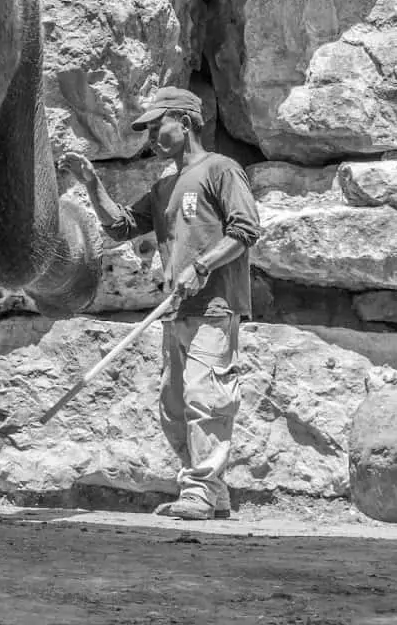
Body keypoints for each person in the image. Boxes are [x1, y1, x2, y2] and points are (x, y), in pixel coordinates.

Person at [60, 86, 261, 521]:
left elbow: (245, 230)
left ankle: (200, 491)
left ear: (184, 122)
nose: (150, 134)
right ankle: (210, 492)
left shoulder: (221, 170)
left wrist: (203, 266)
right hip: (176, 310)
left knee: (206, 399)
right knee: (174, 409)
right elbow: (120, 227)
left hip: (214, 308)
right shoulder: (165, 185)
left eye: (157, 124)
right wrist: (93, 184)